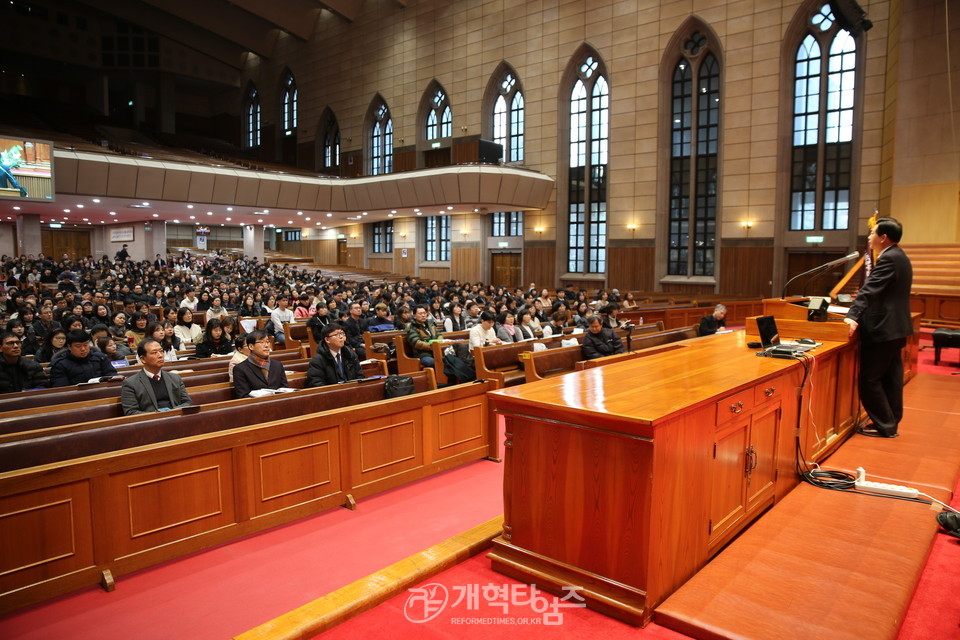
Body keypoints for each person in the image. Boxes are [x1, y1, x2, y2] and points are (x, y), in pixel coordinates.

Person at [844, 217, 914, 439]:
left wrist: (853, 316)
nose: (869, 237)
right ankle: (891, 421)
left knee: (870, 379)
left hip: (883, 329)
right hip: (897, 328)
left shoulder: (889, 259)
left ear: (883, 237)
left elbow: (869, 290)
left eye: (872, 233)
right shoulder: (900, 256)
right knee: (891, 377)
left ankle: (885, 425)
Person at [120, 339, 193, 415]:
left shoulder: (175, 378)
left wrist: (171, 412)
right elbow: (131, 412)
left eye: (161, 351)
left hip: (176, 419)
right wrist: (157, 415)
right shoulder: (130, 384)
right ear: (143, 359)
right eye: (154, 353)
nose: (160, 355)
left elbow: (188, 403)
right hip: (150, 424)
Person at [49, 329, 119, 387]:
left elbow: (112, 375)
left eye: (86, 345)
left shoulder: (100, 358)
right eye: (78, 346)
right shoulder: (60, 365)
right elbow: (61, 389)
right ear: (69, 347)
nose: (83, 349)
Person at [232, 330, 288, 398]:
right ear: (251, 346)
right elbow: (243, 397)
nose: (267, 345)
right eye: (262, 342)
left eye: (267, 342)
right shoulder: (240, 369)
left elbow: (284, 390)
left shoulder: (277, 365)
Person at [306, 323, 364, 387]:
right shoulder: (318, 360)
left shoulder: (350, 354)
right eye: (336, 335)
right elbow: (316, 384)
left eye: (342, 333)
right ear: (327, 340)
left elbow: (360, 376)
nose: (341, 337)